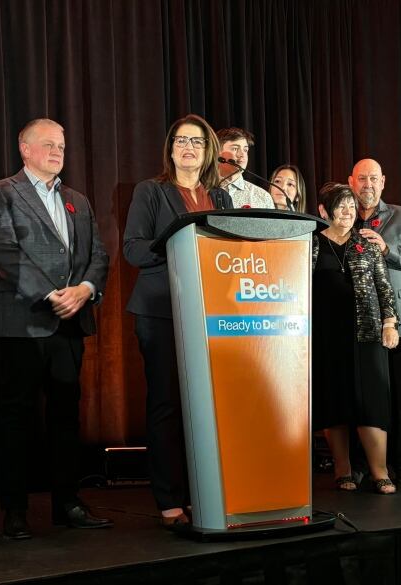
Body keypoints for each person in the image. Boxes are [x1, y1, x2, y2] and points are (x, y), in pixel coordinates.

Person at [0, 118, 111, 539]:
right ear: (24, 148)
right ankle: (14, 511)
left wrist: (86, 289)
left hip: (71, 324)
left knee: (65, 417)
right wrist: (51, 294)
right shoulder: (0, 192)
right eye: (48, 145)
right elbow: (2, 249)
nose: (57, 152)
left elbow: (99, 253)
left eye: (62, 146)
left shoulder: (78, 199)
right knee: (15, 419)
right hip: (22, 322)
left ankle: (67, 504)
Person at [124, 114, 233, 527]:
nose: (188, 148)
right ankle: (170, 499)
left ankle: (206, 492)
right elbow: (134, 249)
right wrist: (181, 245)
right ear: (170, 149)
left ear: (207, 152)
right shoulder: (151, 192)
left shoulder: (219, 198)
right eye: (181, 141)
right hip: (161, 312)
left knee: (211, 406)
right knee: (169, 404)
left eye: (197, 142)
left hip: (216, 313)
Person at [349, 158, 401, 484]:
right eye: (361, 179)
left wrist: (387, 250)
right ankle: (367, 465)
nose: (367, 184)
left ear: (382, 182)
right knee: (368, 396)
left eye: (373, 178)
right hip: (366, 322)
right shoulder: (344, 217)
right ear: (351, 182)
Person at [312, 182, 399, 495]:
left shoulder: (367, 243)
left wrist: (390, 323)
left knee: (372, 400)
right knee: (334, 400)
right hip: (326, 335)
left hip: (366, 332)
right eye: (341, 206)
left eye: (351, 206)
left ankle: (379, 471)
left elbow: (384, 287)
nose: (348, 212)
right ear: (324, 211)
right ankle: (342, 468)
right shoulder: (310, 244)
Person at [216, 127, 274, 209]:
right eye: (235, 149)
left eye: (245, 150)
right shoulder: (200, 189)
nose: (242, 154)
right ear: (217, 152)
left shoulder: (262, 197)